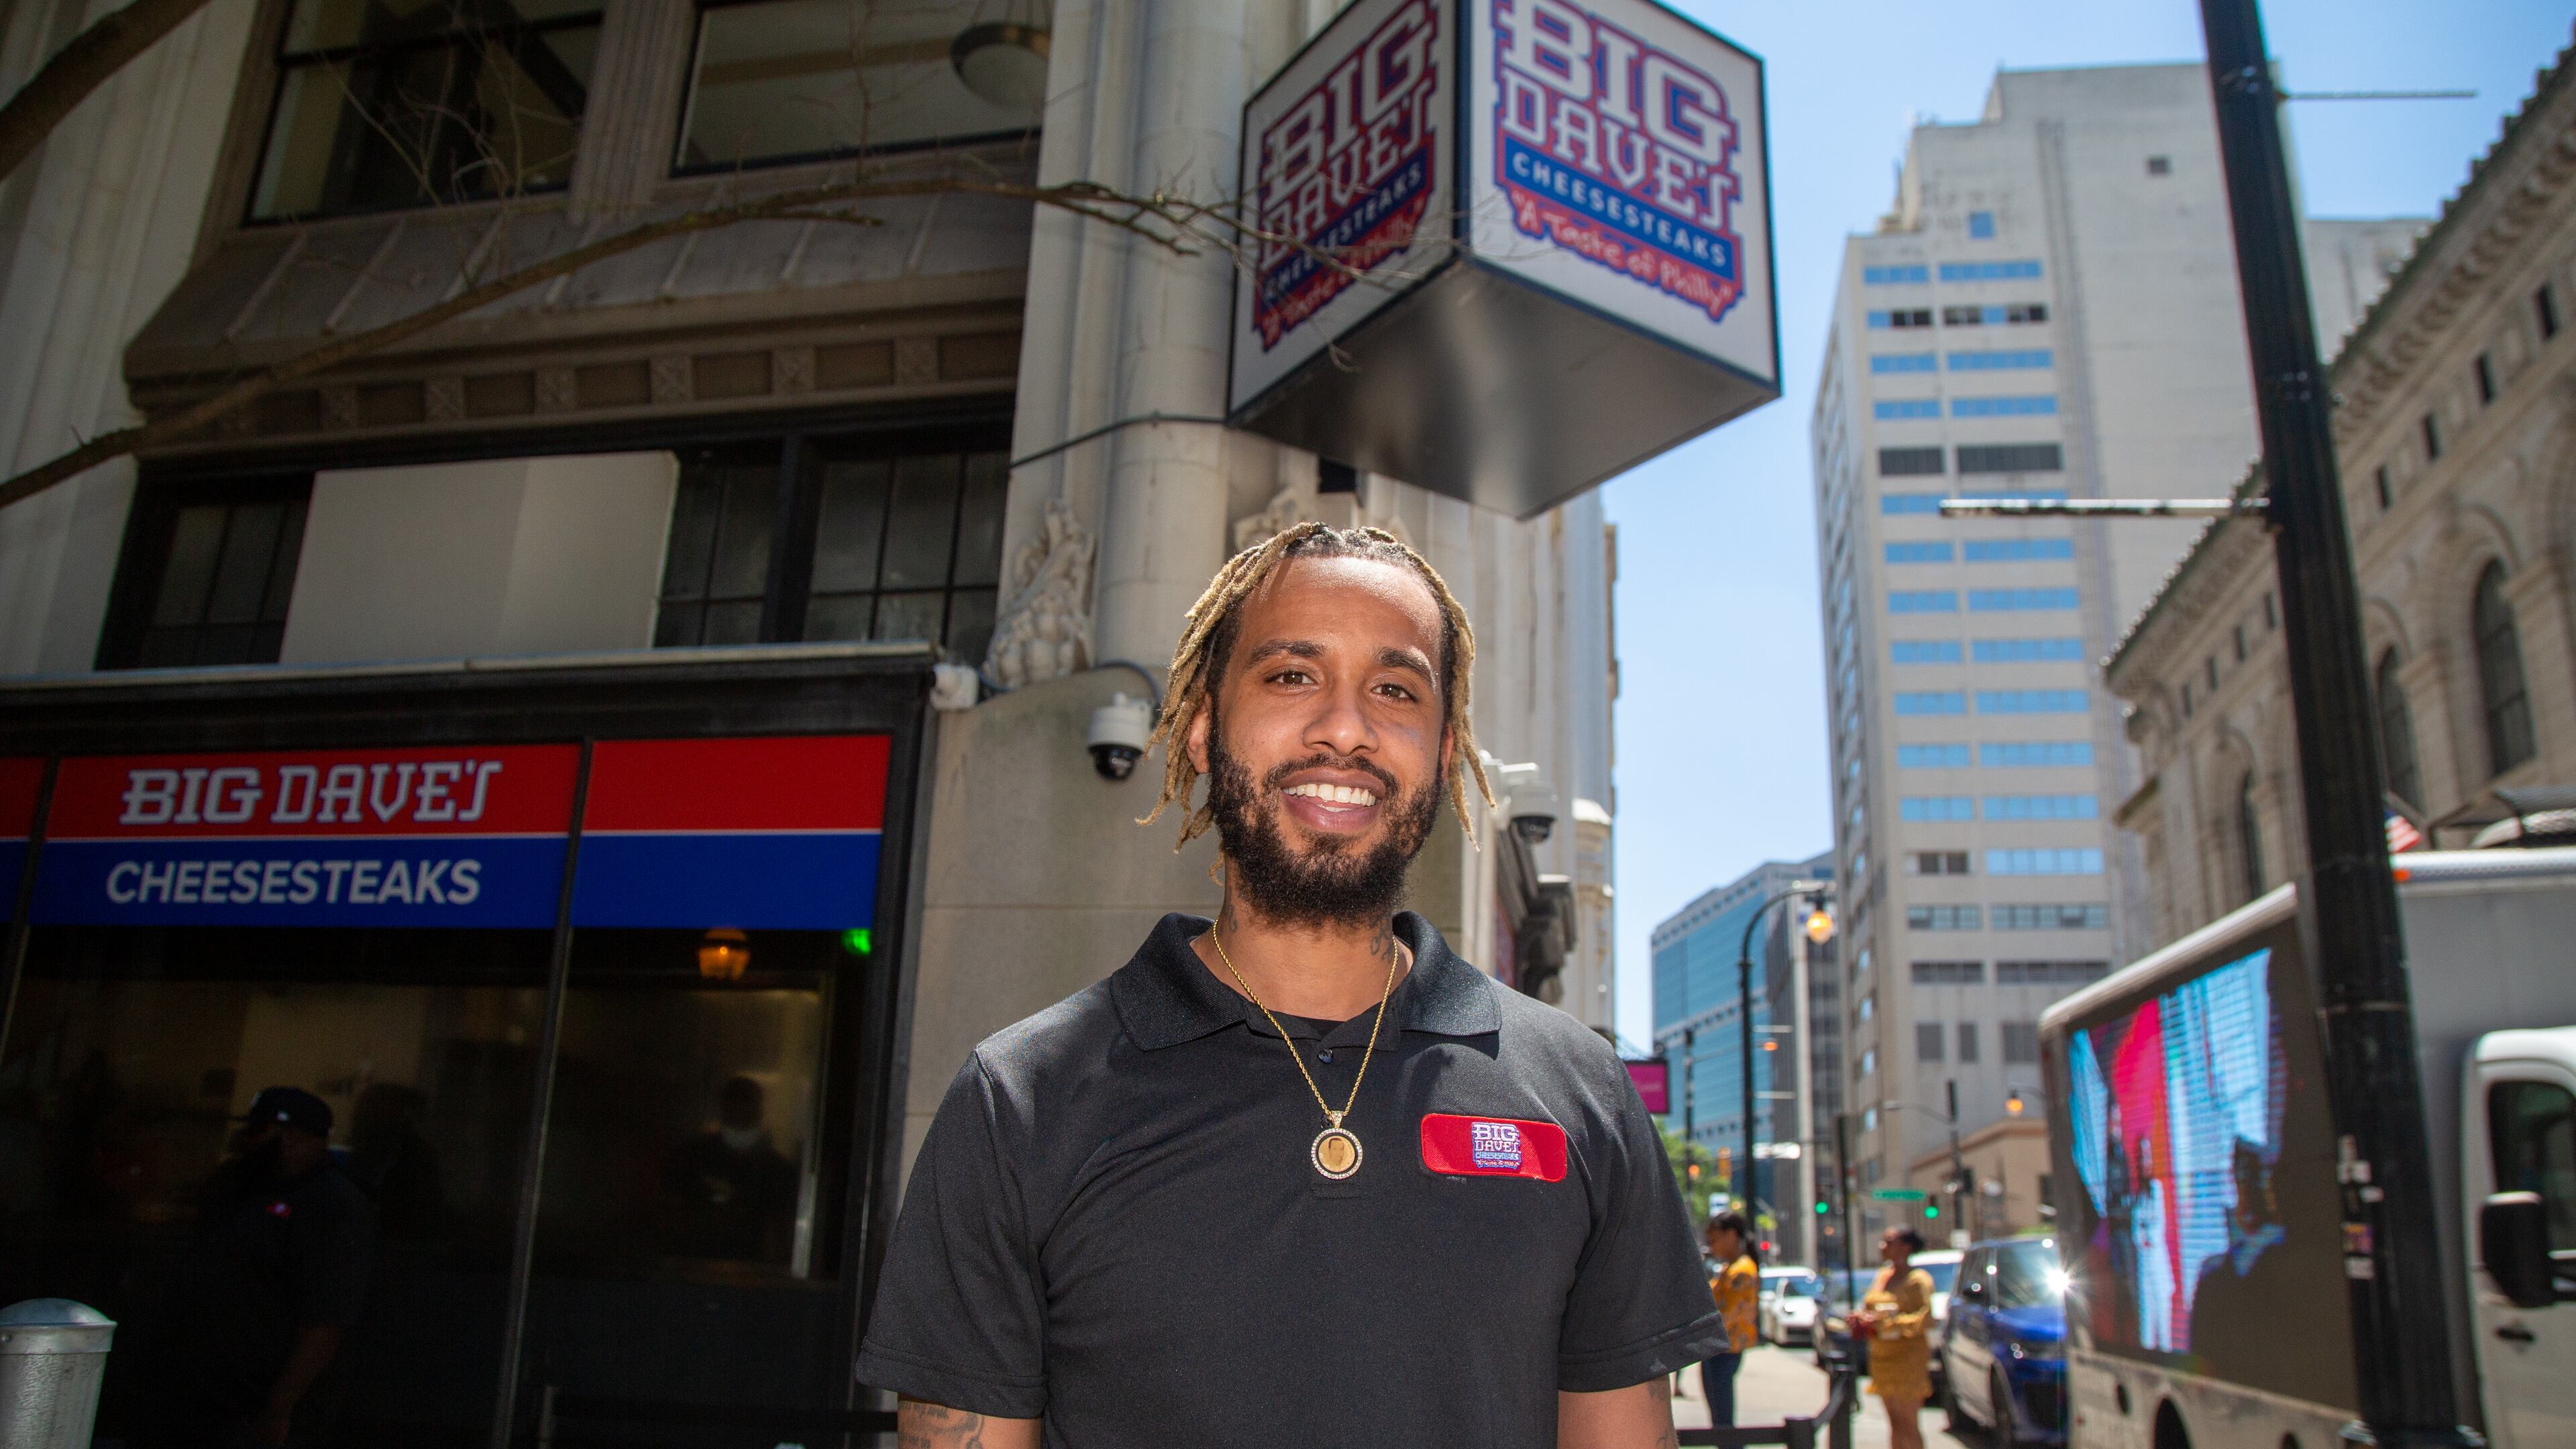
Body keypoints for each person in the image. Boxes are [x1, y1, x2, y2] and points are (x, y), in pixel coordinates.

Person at [855, 524, 1725, 1448]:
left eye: (1395, 689)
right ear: (1202, 727)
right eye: (1291, 677)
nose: (1345, 727)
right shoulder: (1019, 1100)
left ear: (1441, 752)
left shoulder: (1582, 1093)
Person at [147, 1086, 374, 1448]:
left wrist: (279, 1408)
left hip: (257, 1406)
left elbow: (326, 1322)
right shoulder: (243, 1187)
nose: (245, 1143)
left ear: (292, 1136)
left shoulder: (332, 1206)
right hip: (197, 1393)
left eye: (257, 1132)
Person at [663, 1074, 799, 1264]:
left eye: (747, 1104)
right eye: (735, 1103)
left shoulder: (776, 1169)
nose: (740, 1110)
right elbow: (673, 1213)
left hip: (752, 1270)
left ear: (758, 1110)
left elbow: (782, 1231)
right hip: (695, 1265)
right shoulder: (692, 1157)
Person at [1850, 1226, 1935, 1449]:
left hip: (1908, 1357)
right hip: (1882, 1356)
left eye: (1889, 1242)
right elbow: (1871, 1306)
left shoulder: (1918, 1280)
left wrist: (1887, 1323)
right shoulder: (1883, 1276)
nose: (1882, 1247)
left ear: (1906, 1248)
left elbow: (1925, 1317)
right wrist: (1863, 1319)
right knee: (1894, 1423)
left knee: (1908, 1423)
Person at [1701, 1209, 1762, 1426]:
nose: (1712, 1245)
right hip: (1719, 1349)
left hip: (1725, 1349)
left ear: (1732, 1236)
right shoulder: (1731, 1268)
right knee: (1720, 1420)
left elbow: (1728, 1316)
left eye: (1715, 1239)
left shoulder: (1742, 1271)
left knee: (1723, 1422)